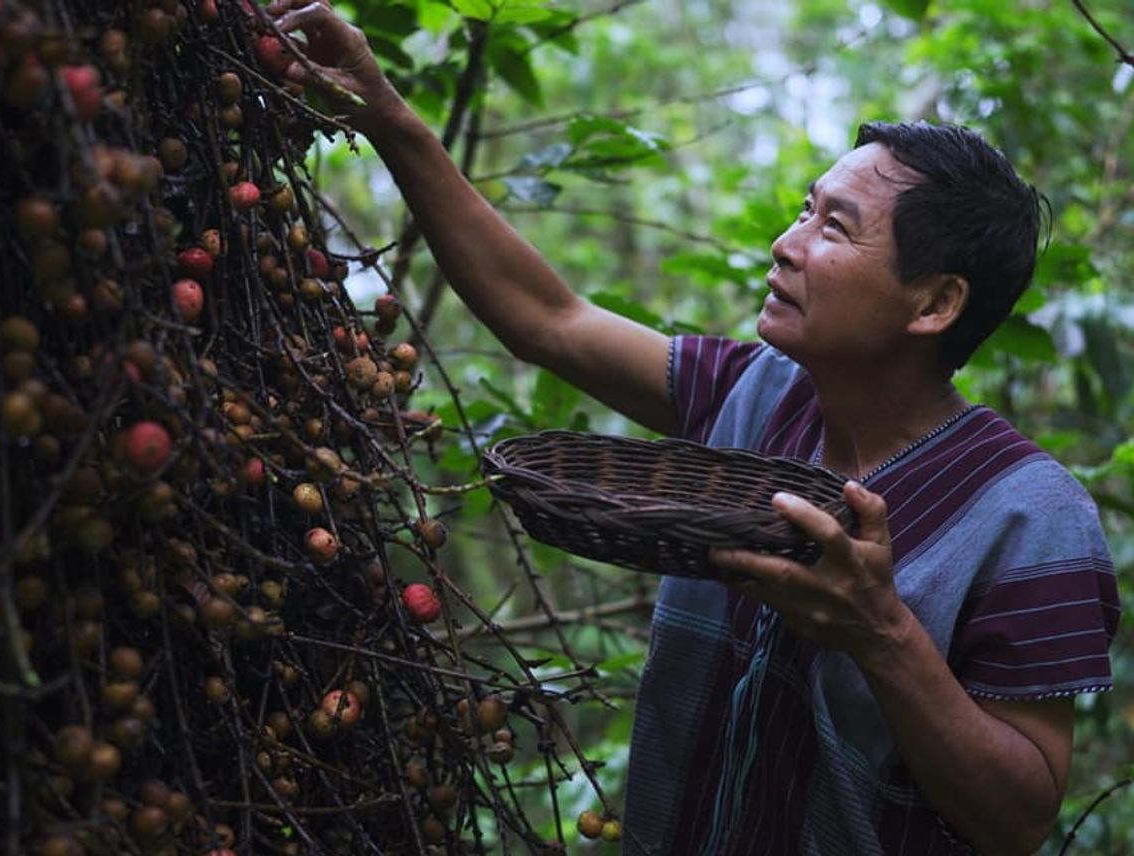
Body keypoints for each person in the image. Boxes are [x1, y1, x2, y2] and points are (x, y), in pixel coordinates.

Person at [271, 4, 1121, 853]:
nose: (787, 244)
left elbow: (1018, 820)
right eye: (804, 209)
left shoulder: (1030, 518)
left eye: (835, 227)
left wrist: (885, 636)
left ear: (935, 304)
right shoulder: (754, 397)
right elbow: (548, 319)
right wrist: (387, 115)